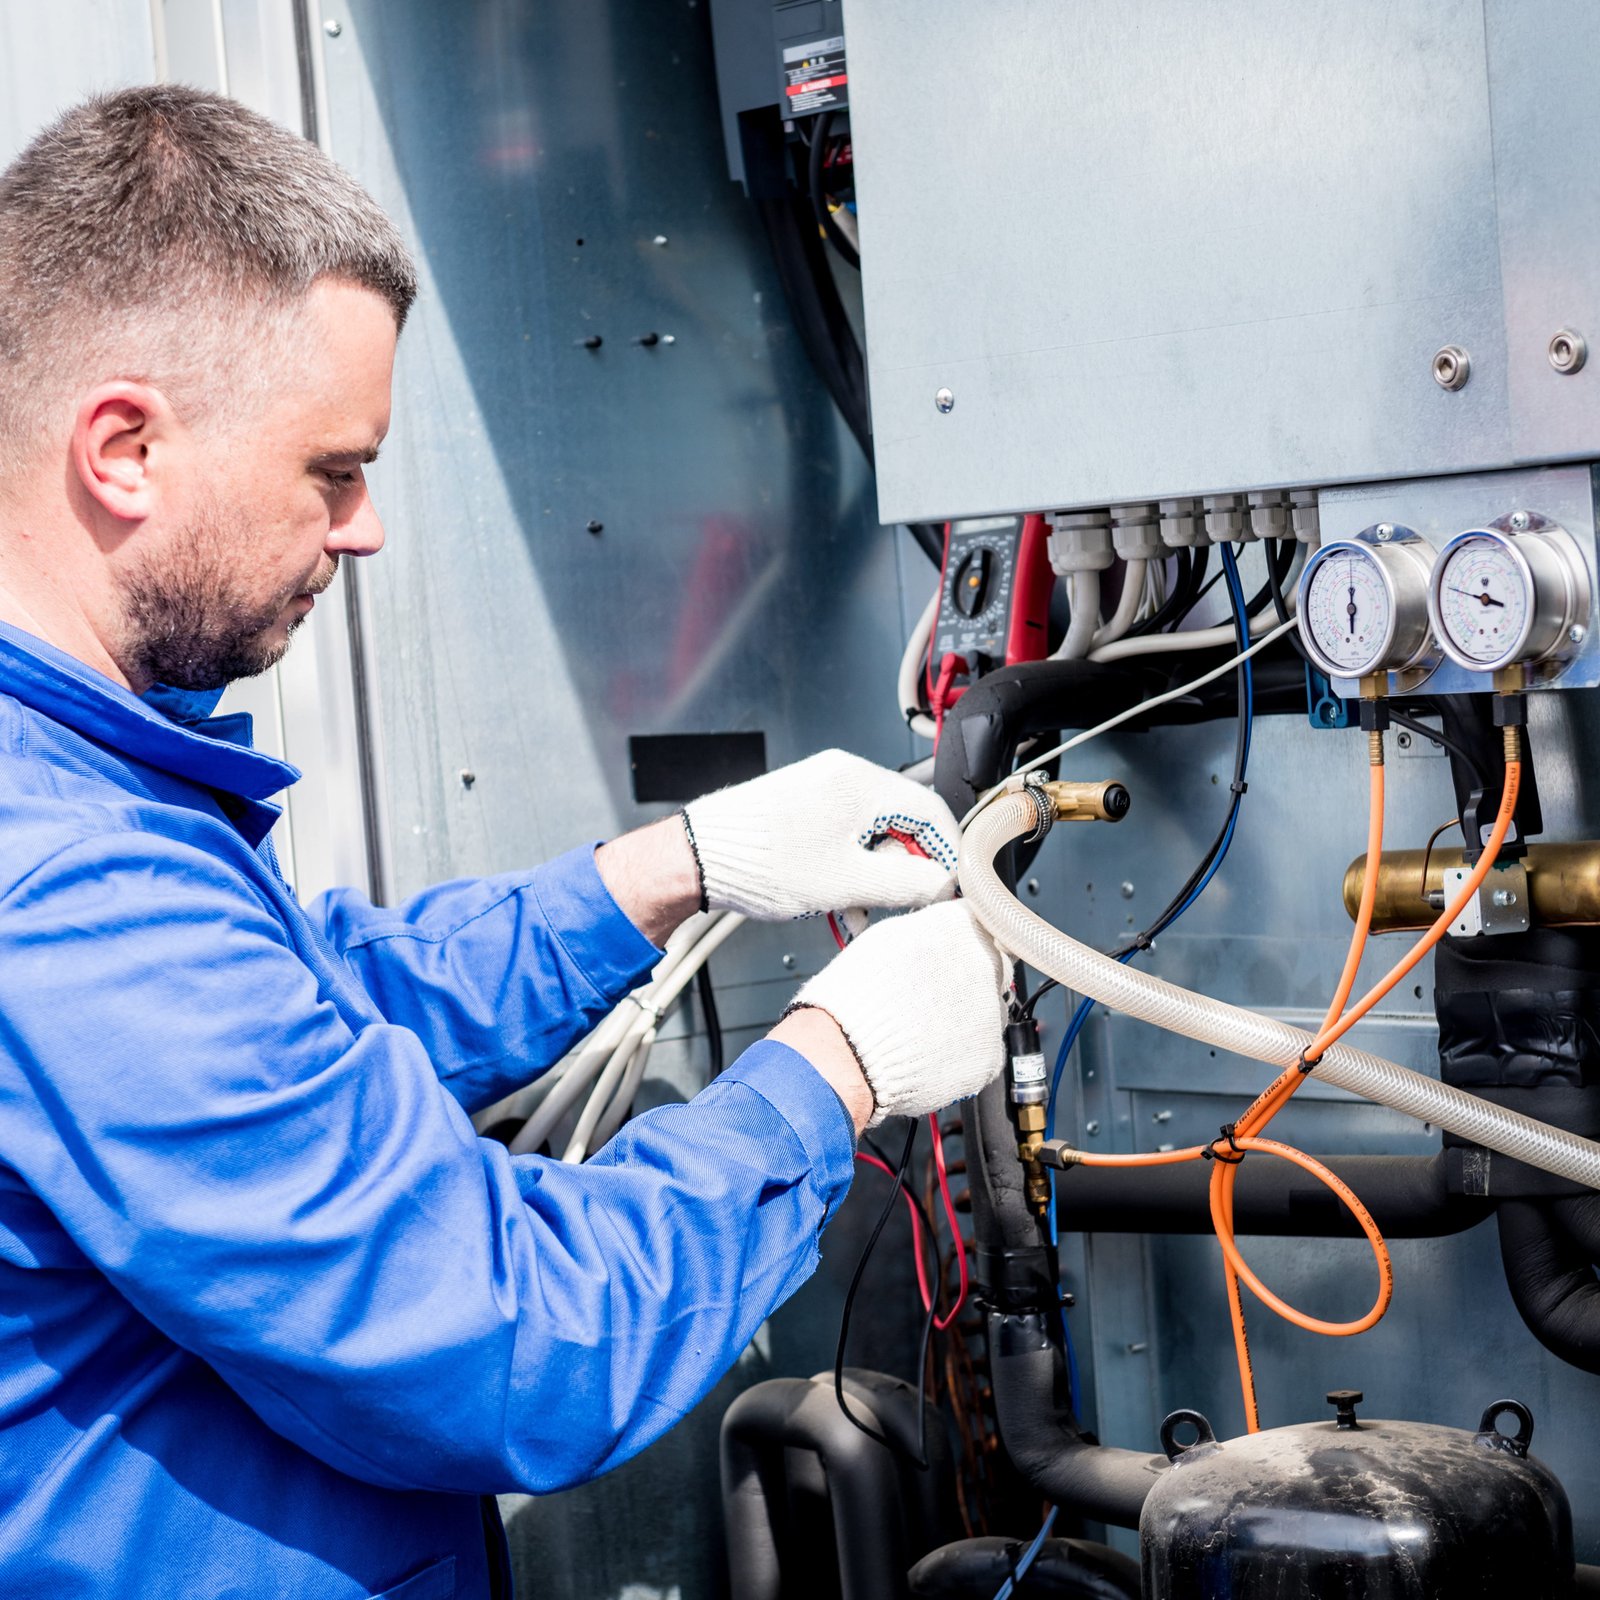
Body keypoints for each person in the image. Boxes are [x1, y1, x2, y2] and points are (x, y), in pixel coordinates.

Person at [0, 86, 1010, 1598]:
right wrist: (833, 1070)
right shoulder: (65, 878)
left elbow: (298, 1013)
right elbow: (517, 1339)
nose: (364, 528)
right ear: (125, 450)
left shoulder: (79, 791)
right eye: (332, 470)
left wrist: (672, 868)